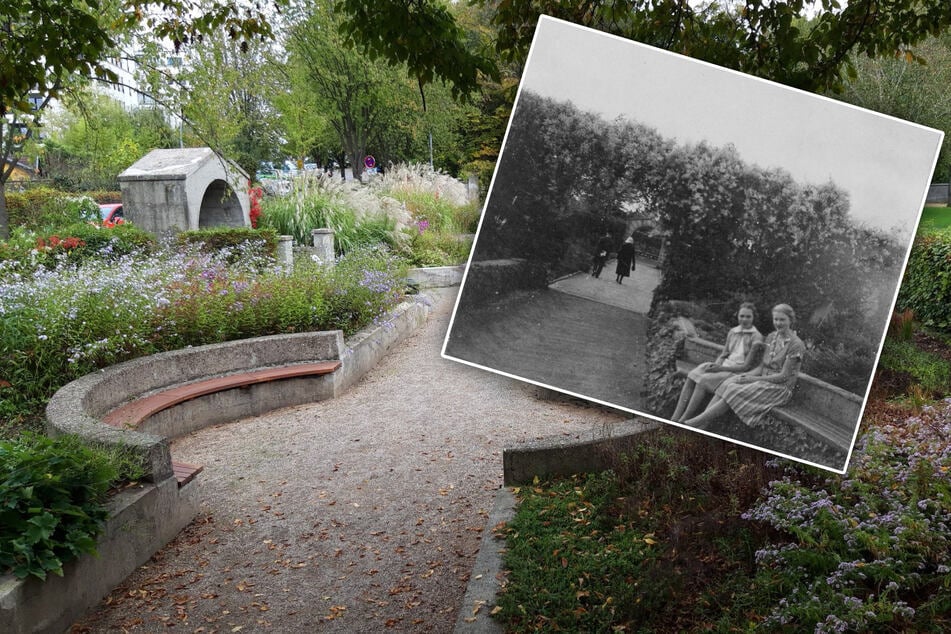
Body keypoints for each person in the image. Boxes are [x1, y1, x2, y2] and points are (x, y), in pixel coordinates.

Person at [682, 304, 804, 431]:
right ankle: (702, 426)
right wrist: (744, 376)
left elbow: (783, 376)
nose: (778, 323)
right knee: (729, 383)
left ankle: (694, 423)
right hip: (763, 381)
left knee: (734, 390)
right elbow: (762, 367)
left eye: (782, 319)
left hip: (779, 388)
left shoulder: (796, 344)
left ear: (791, 320)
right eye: (776, 319)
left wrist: (751, 380)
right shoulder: (772, 337)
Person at [671, 302, 763, 423]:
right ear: (737, 316)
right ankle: (674, 417)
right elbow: (724, 354)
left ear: (753, 318)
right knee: (692, 375)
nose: (744, 319)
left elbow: (745, 366)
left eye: (748, 317)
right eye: (741, 316)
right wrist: (715, 365)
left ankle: (684, 420)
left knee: (702, 381)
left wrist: (719, 369)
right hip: (723, 366)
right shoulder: (733, 332)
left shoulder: (756, 337)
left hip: (735, 372)